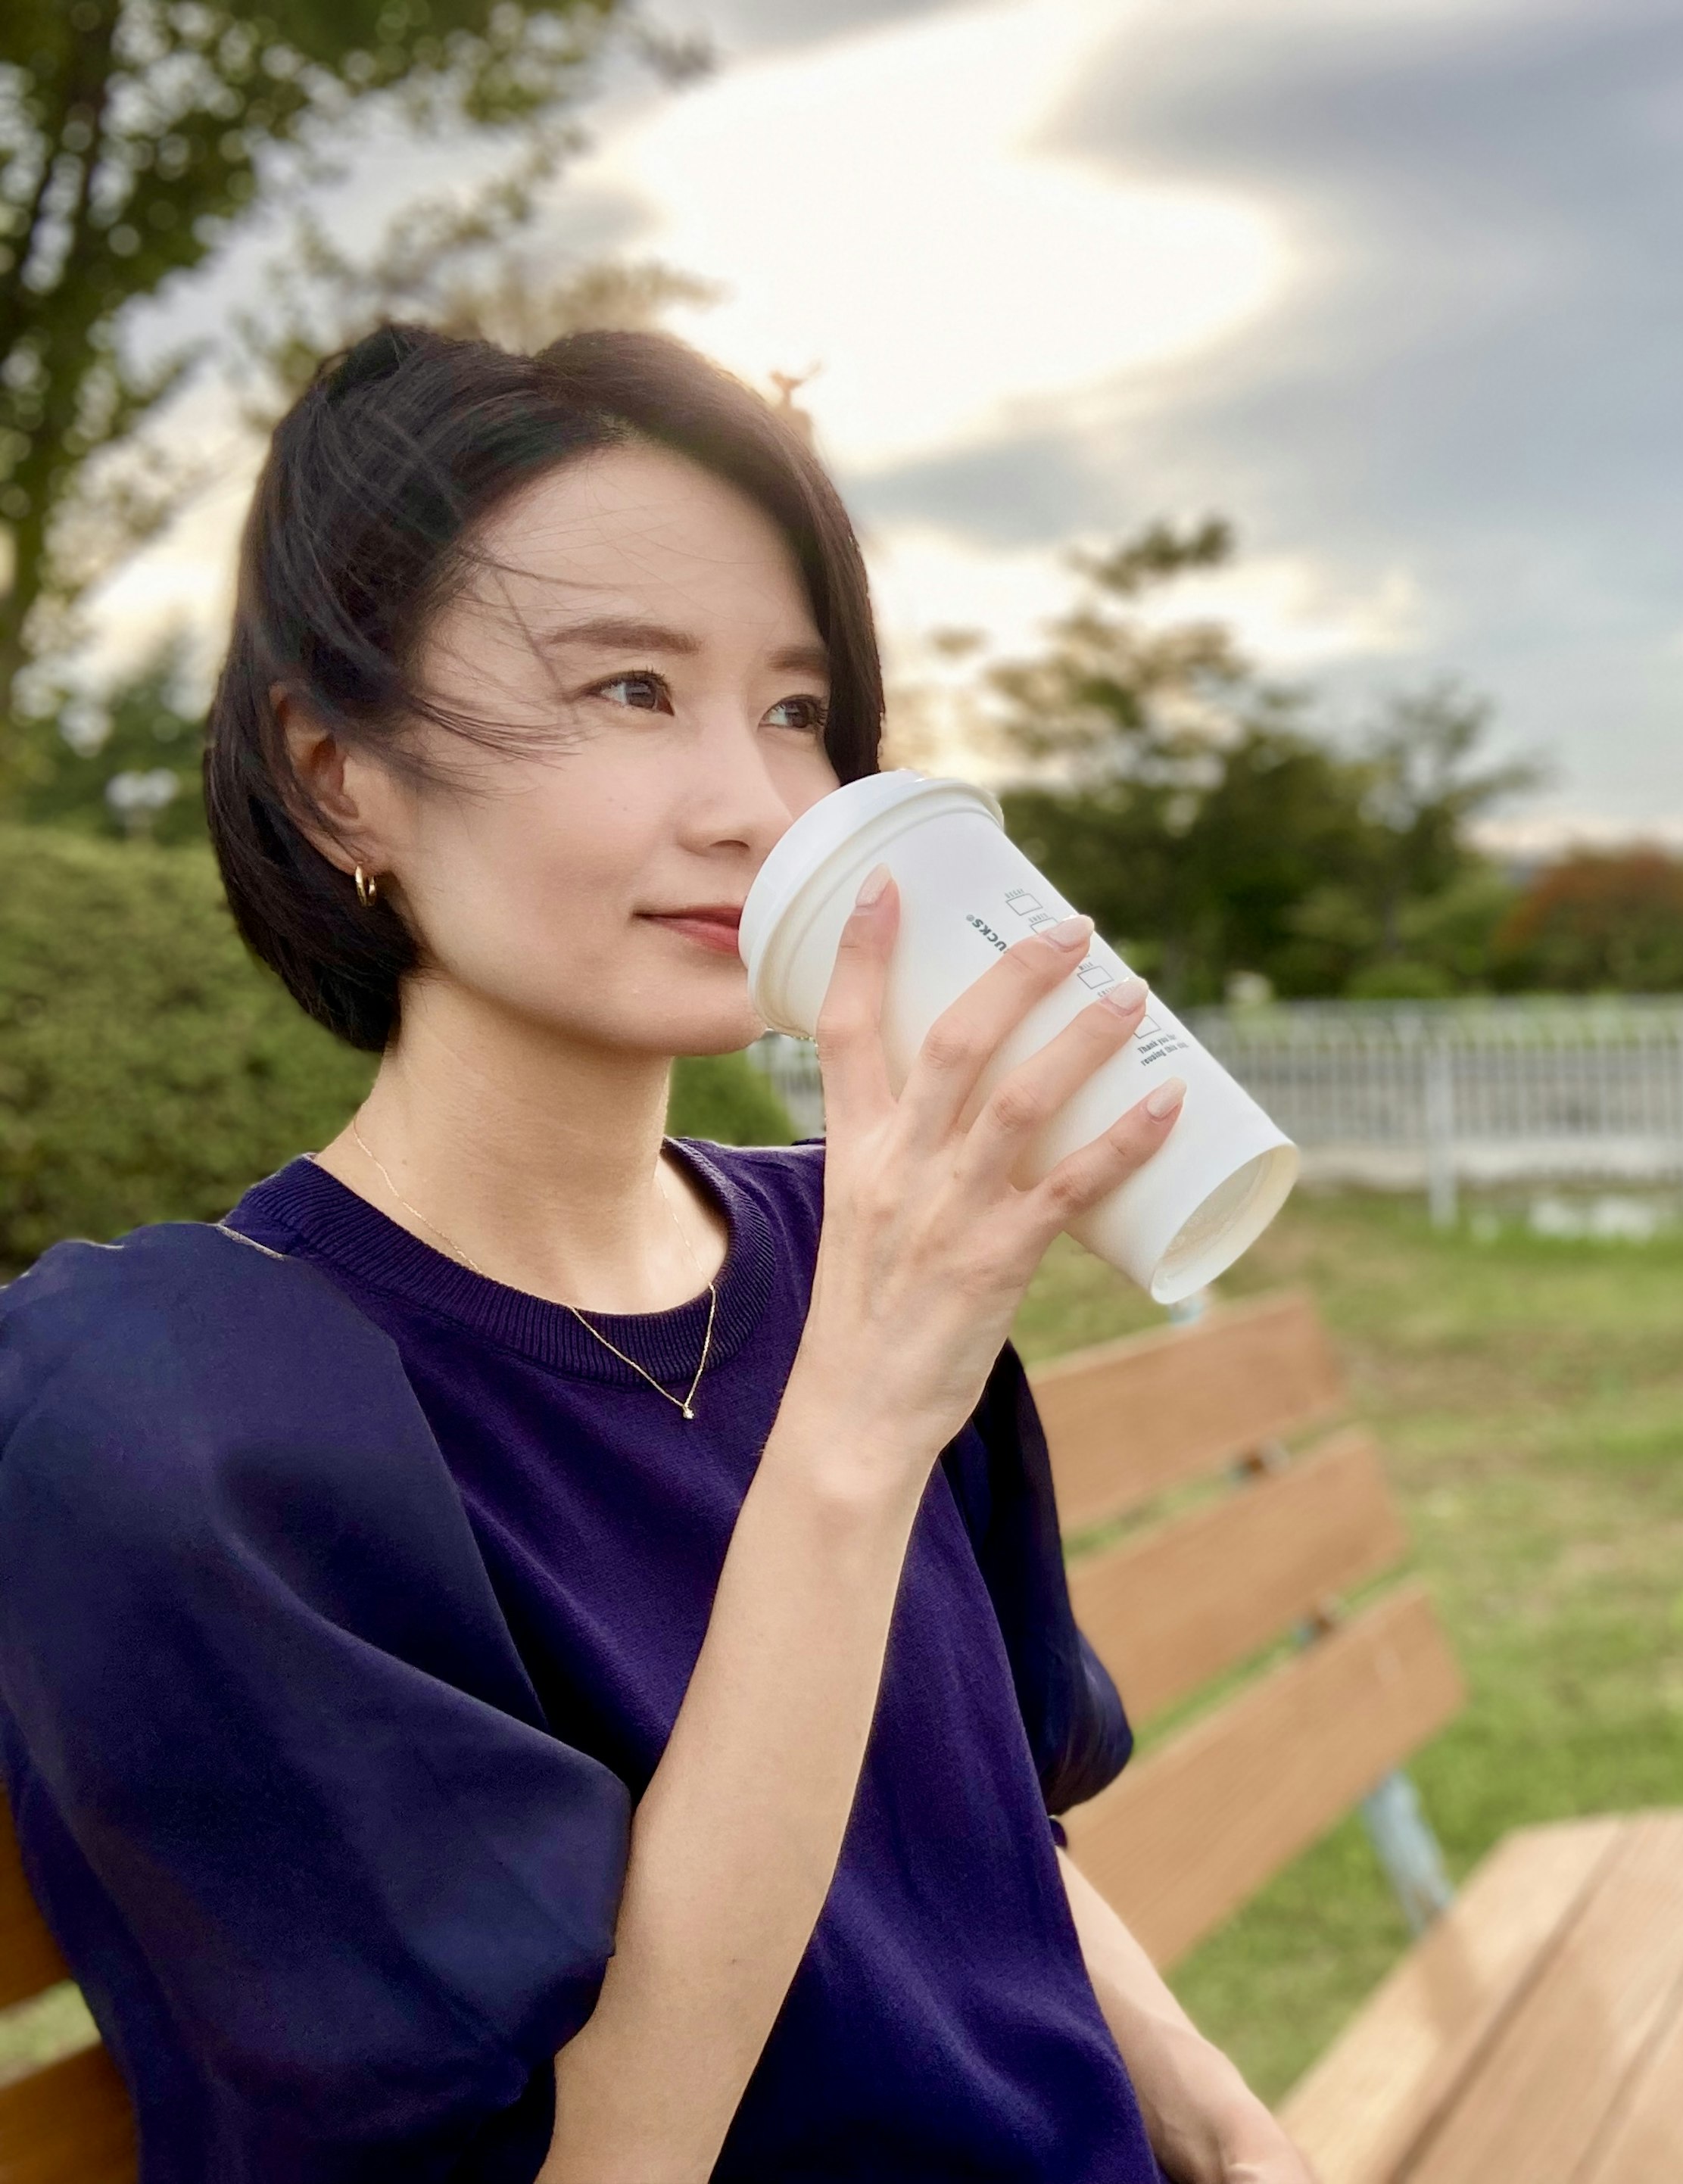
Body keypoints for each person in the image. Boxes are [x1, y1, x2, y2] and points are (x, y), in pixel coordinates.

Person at [0, 325, 1316, 2182]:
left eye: (794, 710)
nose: (759, 806)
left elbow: (969, 1838)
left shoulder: (818, 1245)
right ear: (336, 775)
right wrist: (850, 1436)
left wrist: (1245, 2144)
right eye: (631, 688)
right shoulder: (187, 1419)